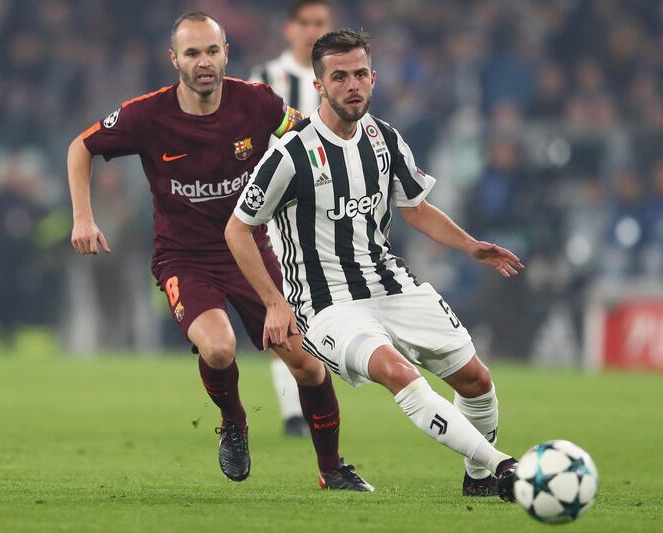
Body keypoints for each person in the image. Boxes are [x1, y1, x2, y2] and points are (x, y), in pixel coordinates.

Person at [67, 12, 372, 491]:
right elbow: (80, 147)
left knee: (307, 365)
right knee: (218, 345)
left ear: (226, 52)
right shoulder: (147, 115)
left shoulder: (256, 103)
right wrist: (83, 216)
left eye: (211, 51)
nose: (203, 62)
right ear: (174, 60)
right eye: (192, 53)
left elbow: (306, 134)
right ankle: (235, 422)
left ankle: (332, 469)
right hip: (183, 259)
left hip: (251, 251)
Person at [226, 29, 524, 499]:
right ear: (319, 85)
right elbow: (237, 228)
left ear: (374, 78)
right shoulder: (289, 155)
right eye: (339, 76)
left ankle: (480, 479)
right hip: (329, 304)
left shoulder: (383, 138)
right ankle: (506, 465)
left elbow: (414, 207)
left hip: (392, 285)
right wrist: (274, 302)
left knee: (477, 380)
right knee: (397, 372)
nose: (352, 85)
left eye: (361, 74)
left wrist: (471, 246)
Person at [249, 0, 333, 437]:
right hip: (275, 212)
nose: (312, 30)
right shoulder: (264, 81)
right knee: (282, 303)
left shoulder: (339, 80)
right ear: (288, 28)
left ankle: (311, 398)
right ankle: (294, 412)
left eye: (319, 23)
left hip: (328, 213)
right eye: (305, 22)